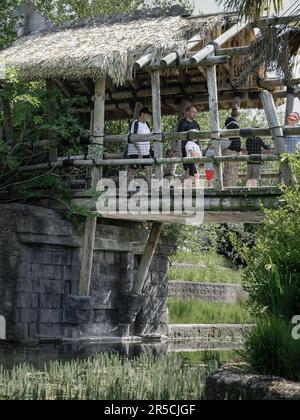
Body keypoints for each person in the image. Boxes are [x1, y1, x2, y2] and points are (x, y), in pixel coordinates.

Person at [127, 107, 153, 185]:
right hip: (135, 151)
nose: (148, 117)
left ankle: (149, 188)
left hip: (146, 152)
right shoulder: (135, 123)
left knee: (149, 169)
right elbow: (132, 137)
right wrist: (139, 151)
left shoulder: (147, 124)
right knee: (133, 170)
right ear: (142, 114)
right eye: (147, 114)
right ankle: (128, 188)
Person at [177, 105, 200, 179]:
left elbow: (198, 138)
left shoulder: (196, 123)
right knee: (192, 174)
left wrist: (198, 150)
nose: (195, 114)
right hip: (186, 152)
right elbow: (179, 138)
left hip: (195, 152)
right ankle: (186, 189)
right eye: (193, 112)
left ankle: (183, 188)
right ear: (187, 112)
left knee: (192, 175)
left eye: (196, 112)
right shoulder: (182, 123)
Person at [223, 107, 242, 187]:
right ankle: (230, 189)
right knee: (231, 172)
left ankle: (225, 187)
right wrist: (239, 150)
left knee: (227, 170)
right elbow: (236, 139)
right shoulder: (235, 125)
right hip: (232, 150)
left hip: (226, 148)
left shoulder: (227, 123)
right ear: (239, 115)